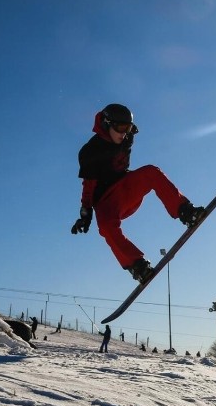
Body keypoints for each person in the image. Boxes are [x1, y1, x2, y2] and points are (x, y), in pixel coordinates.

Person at [71, 103, 205, 283]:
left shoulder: (126, 138)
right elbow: (88, 186)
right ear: (106, 124)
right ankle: (137, 265)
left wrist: (128, 130)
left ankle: (185, 211)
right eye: (120, 128)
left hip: (126, 190)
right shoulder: (91, 151)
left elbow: (127, 136)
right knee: (106, 226)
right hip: (105, 202)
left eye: (128, 128)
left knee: (151, 171)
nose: (123, 133)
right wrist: (85, 213)